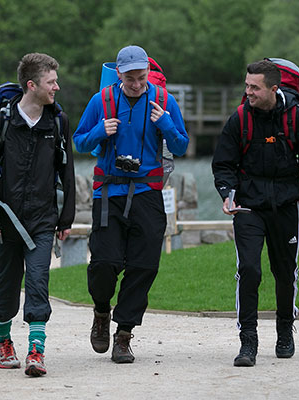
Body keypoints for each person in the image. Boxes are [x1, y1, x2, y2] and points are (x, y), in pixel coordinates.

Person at [73, 45, 188, 364]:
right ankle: (100, 312)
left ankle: (124, 334)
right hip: (109, 194)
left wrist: (165, 124)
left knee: (145, 265)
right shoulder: (101, 101)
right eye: (130, 79)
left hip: (148, 194)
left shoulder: (164, 101)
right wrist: (100, 130)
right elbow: (79, 142)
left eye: (141, 78)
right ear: (119, 75)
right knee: (104, 264)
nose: (137, 84)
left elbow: (181, 145)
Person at [212, 60, 299, 367]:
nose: (248, 92)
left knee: (285, 272)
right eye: (246, 86)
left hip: (287, 205)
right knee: (249, 270)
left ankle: (285, 331)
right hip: (249, 206)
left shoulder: (298, 119)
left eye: (254, 87)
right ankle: (248, 341)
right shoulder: (239, 119)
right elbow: (223, 164)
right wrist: (227, 194)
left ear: (274, 89)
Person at [0, 53, 75, 377]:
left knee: (37, 280)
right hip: (5, 220)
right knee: (5, 286)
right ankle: (4, 340)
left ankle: (36, 350)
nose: (56, 87)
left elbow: (68, 170)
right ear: (31, 85)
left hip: (43, 219)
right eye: (51, 82)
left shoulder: (58, 123)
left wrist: (67, 217)